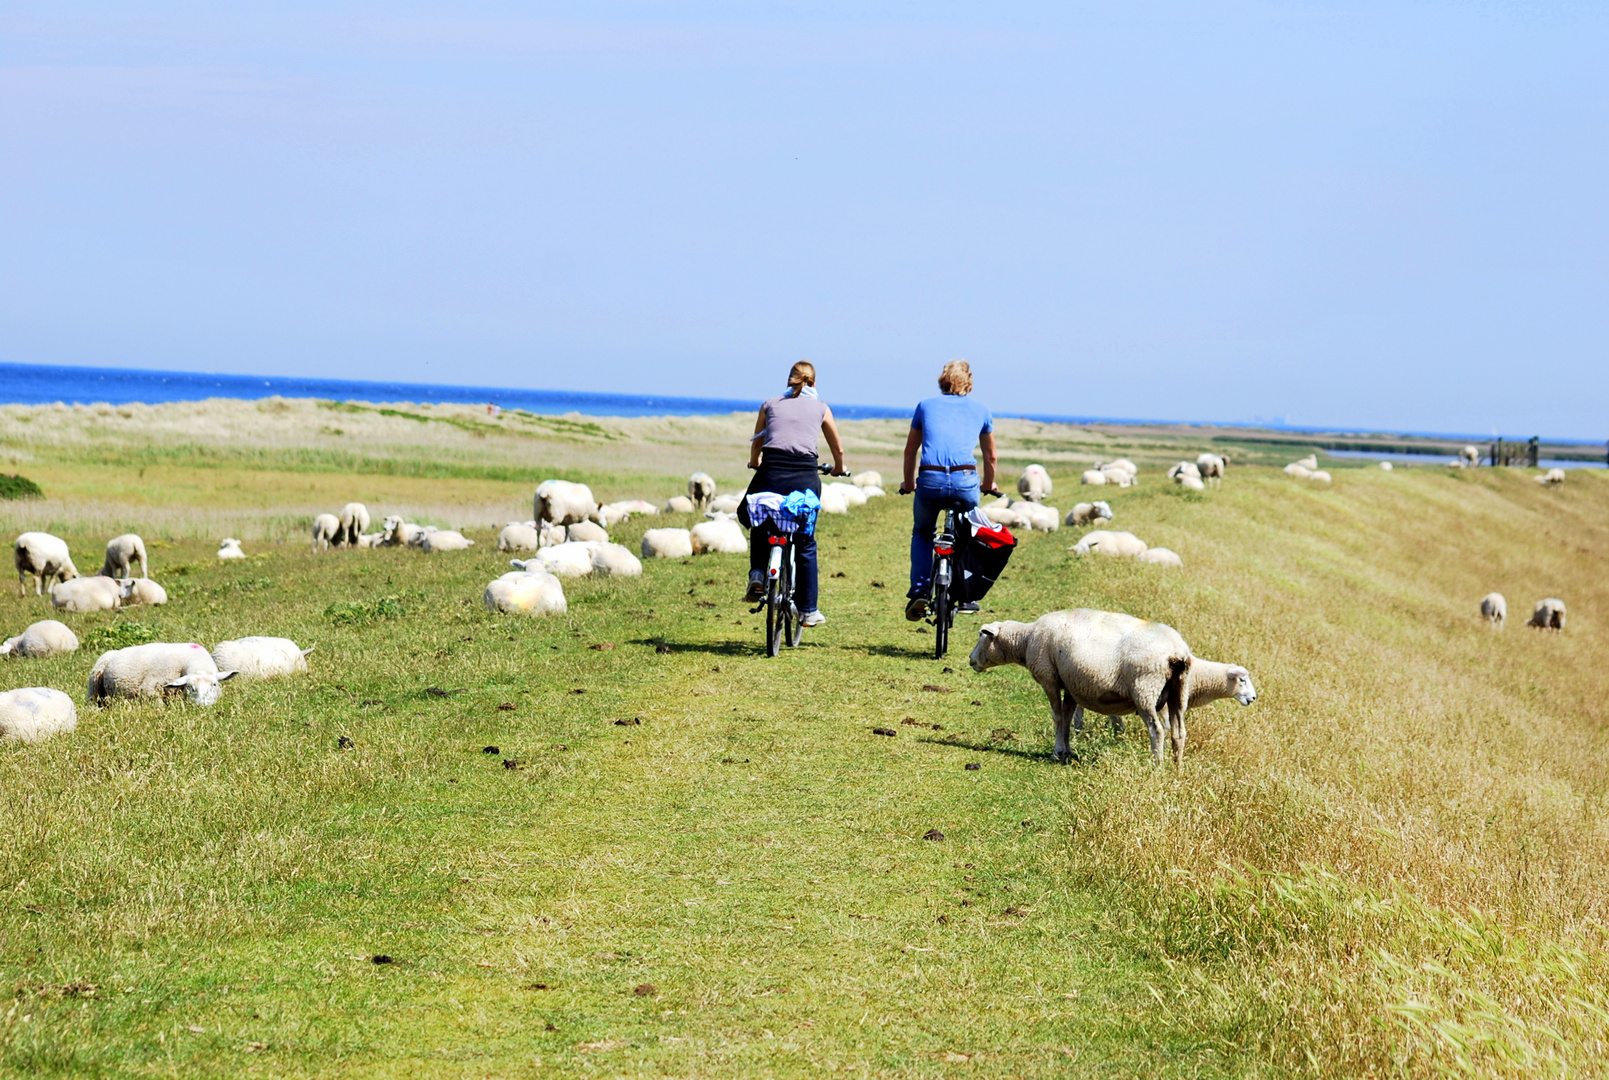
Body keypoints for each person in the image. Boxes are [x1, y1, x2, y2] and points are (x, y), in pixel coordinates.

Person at [740, 361, 848, 626]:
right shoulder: (821, 407)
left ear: (789, 380)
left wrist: (755, 462)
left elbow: (758, 441)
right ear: (814, 382)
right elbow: (838, 450)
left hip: (771, 475)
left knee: (758, 519)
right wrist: (839, 468)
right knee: (805, 541)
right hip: (804, 479)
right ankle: (808, 610)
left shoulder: (770, 404)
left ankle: (757, 573)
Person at [898, 359, 999, 620]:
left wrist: (909, 483)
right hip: (966, 481)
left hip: (929, 480)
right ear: (969, 382)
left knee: (922, 532)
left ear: (942, 380)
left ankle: (919, 591)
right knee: (969, 536)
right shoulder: (982, 410)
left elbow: (911, 451)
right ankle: (967, 595)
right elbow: (991, 457)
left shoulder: (925, 406)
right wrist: (989, 483)